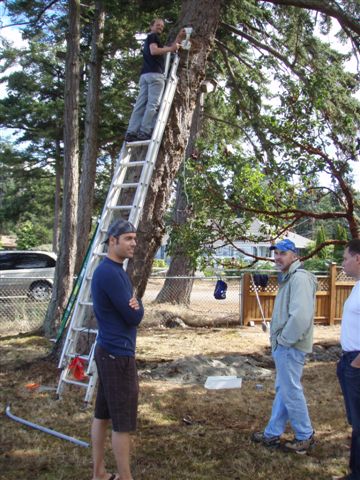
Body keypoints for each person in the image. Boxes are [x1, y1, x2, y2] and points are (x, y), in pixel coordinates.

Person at [251, 238, 317, 454]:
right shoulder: (289, 278)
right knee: (284, 390)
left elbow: (300, 316)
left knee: (290, 391)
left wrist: (283, 340)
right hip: (285, 346)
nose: (277, 257)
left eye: (283, 253)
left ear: (294, 256)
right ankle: (271, 434)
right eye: (276, 253)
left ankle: (305, 435)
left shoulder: (299, 279)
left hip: (290, 345)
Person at [90, 219, 144, 480]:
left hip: (107, 350)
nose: (134, 243)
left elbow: (129, 309)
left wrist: (135, 303)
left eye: (135, 238)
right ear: (113, 241)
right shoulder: (111, 273)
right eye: (128, 238)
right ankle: (126, 478)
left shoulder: (113, 270)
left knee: (103, 414)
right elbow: (133, 317)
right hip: (117, 354)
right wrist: (139, 304)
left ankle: (99, 473)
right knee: (122, 422)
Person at [125, 18, 184, 142]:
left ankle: (131, 132)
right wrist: (170, 49)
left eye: (162, 26)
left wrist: (178, 38)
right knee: (152, 105)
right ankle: (144, 131)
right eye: (158, 25)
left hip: (145, 76)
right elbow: (155, 51)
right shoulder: (153, 37)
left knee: (140, 105)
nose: (160, 28)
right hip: (155, 76)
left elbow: (169, 48)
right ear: (151, 26)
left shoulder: (150, 38)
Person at [334, 239, 360, 480]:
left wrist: (357, 362)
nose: (342, 263)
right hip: (348, 361)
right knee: (356, 423)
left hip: (357, 364)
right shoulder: (356, 286)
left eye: (345, 258)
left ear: (358, 258)